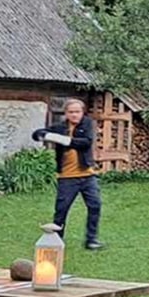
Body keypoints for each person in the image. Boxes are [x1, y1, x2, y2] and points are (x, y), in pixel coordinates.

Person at [35, 99, 101, 250]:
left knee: (95, 206)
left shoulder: (87, 124)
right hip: (66, 177)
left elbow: (85, 142)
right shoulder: (60, 127)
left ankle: (91, 240)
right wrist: (45, 135)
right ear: (66, 113)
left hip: (87, 175)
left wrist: (60, 139)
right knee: (61, 210)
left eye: (77, 112)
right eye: (71, 112)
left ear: (82, 112)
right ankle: (56, 240)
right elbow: (37, 134)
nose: (74, 115)